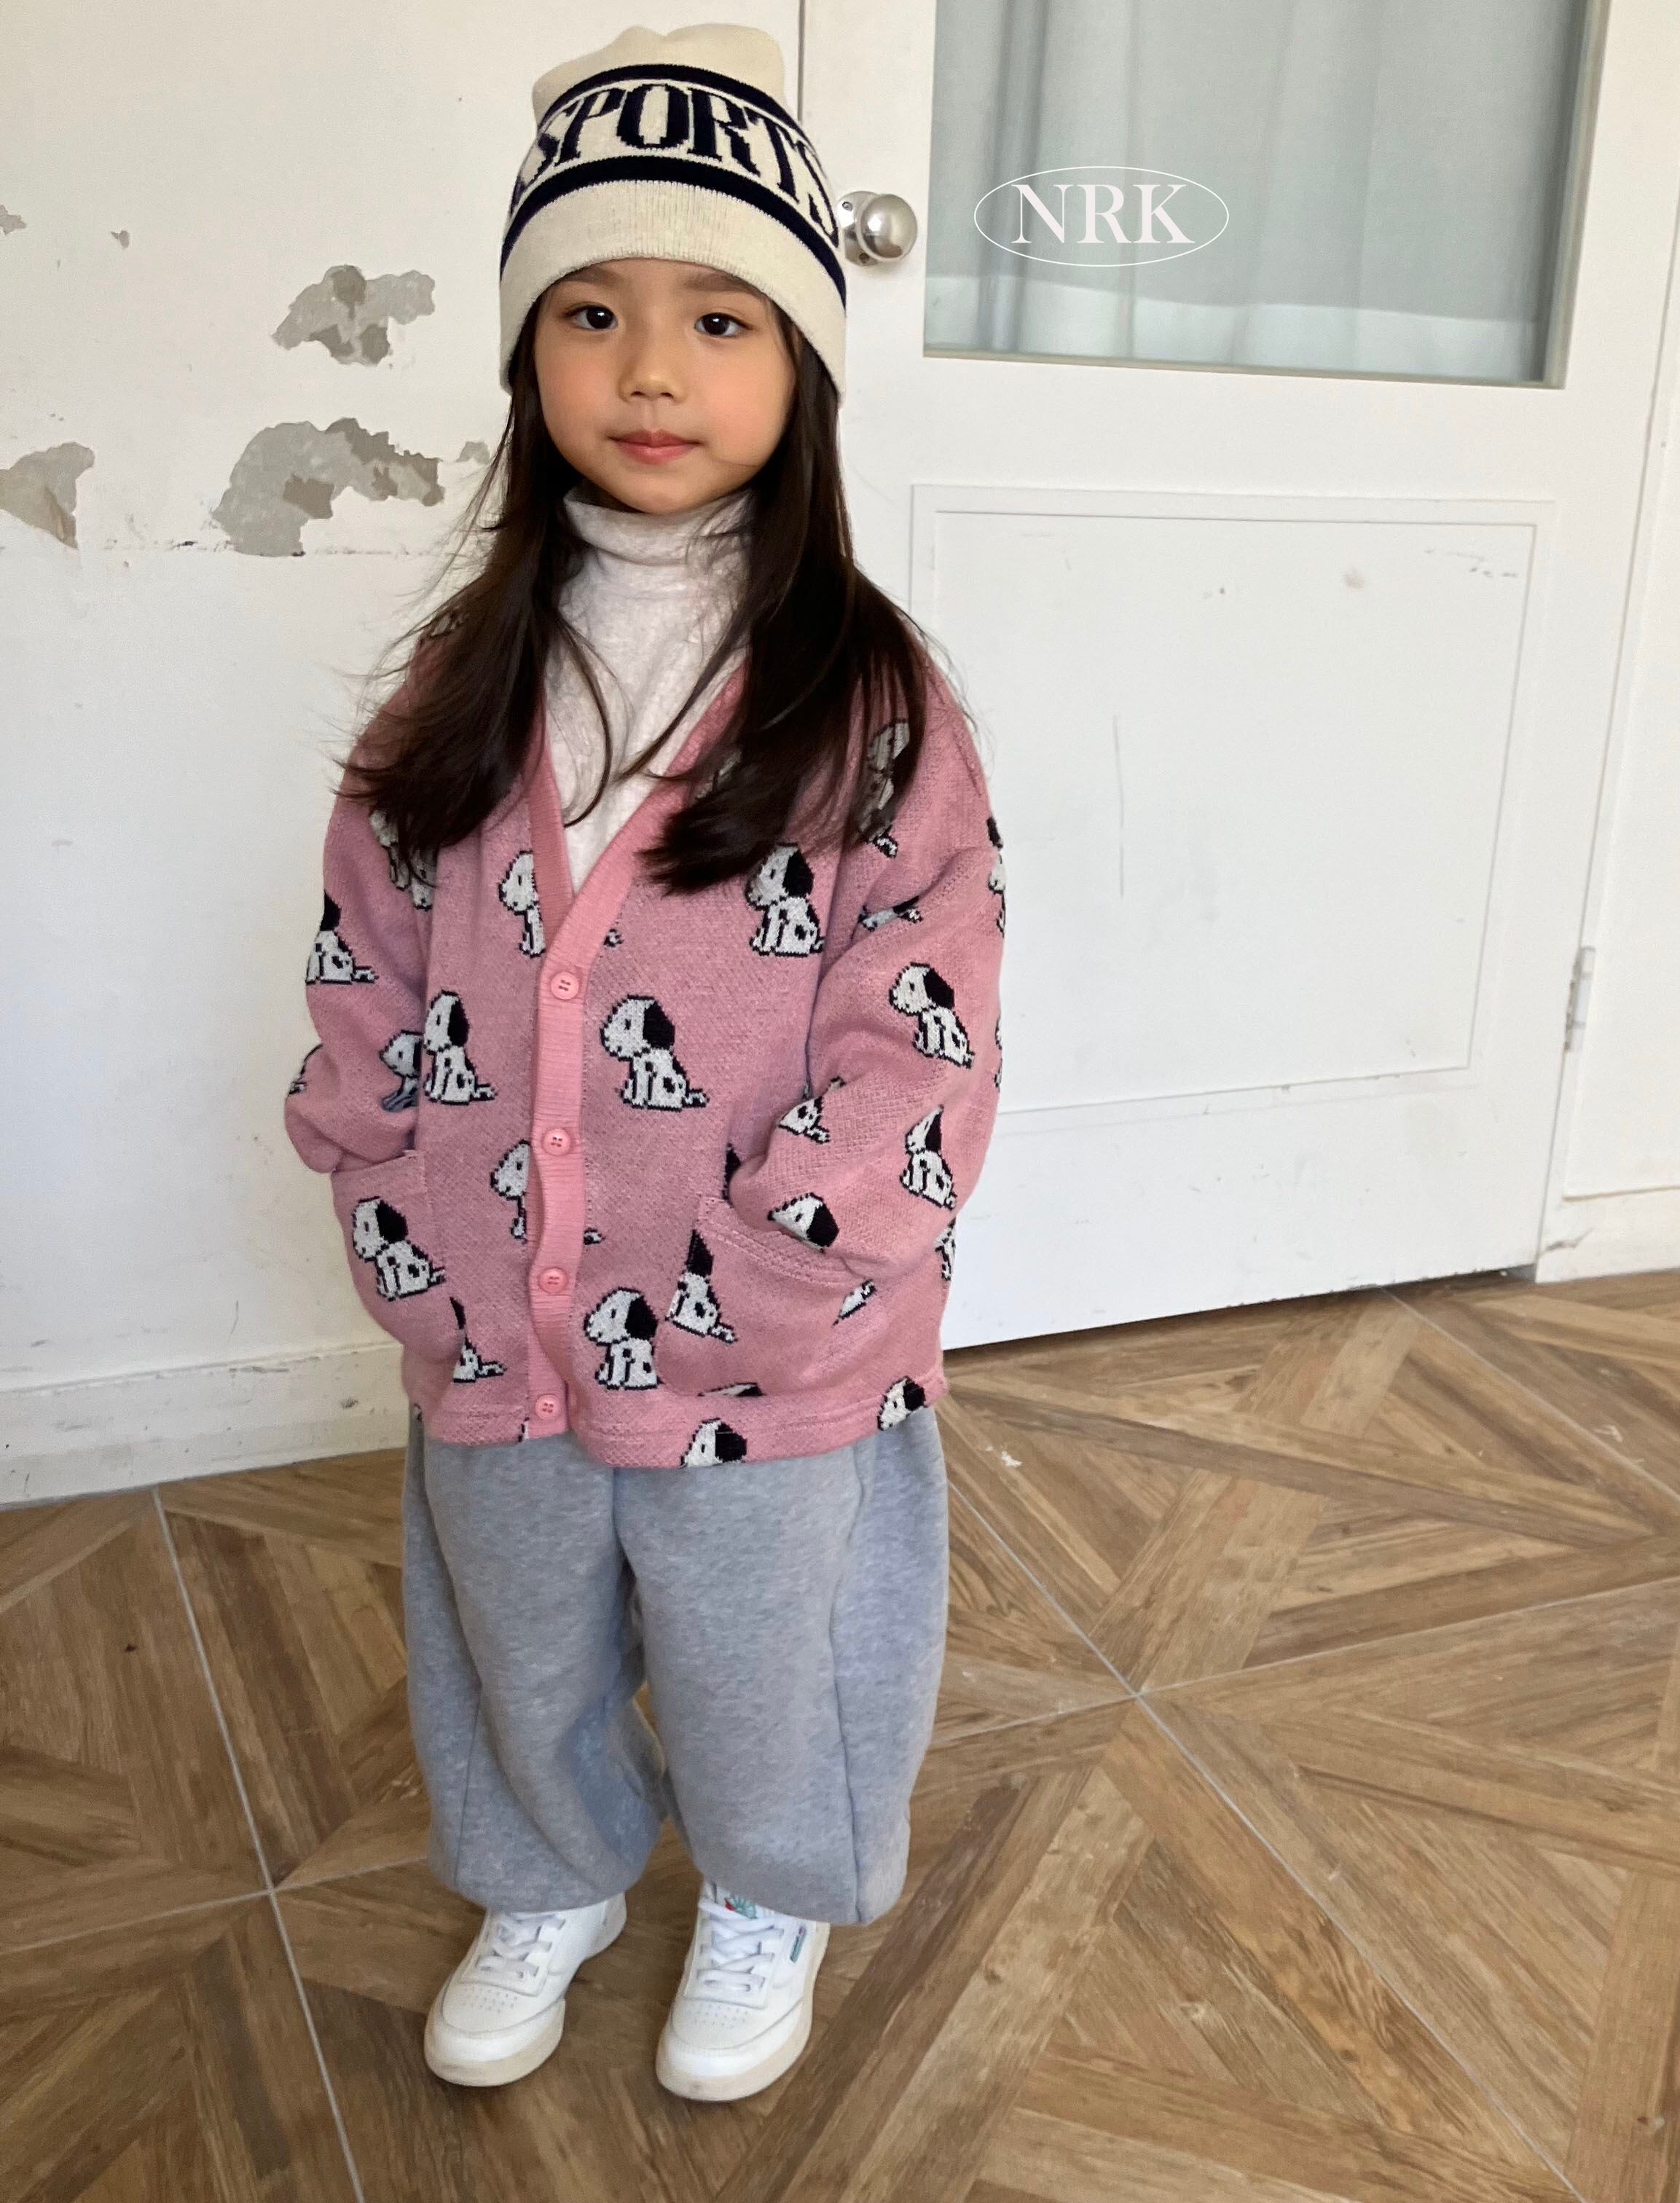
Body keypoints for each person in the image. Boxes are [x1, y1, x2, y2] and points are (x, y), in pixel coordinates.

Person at [281, 23, 1008, 2102]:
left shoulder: (870, 698)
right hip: (490, 1301)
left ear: (804, 362)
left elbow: (922, 1015)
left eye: (719, 315)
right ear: (529, 360)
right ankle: (553, 1870)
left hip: (774, 1331)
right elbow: (365, 952)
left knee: (771, 1650)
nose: (653, 370)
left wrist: (790, 1263)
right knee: (513, 1625)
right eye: (590, 313)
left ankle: (771, 1885)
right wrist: (389, 1198)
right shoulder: (458, 682)